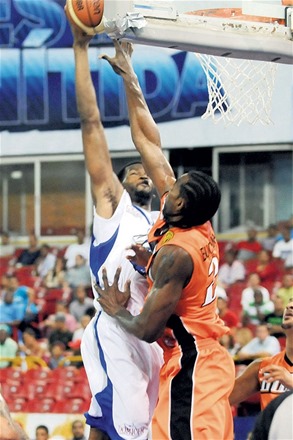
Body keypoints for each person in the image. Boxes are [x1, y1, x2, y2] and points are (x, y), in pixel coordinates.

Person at [96, 40, 235, 440]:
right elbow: (149, 143)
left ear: (184, 209)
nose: (168, 186)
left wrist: (116, 308)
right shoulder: (193, 224)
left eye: (176, 191)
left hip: (194, 364)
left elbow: (145, 327)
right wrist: (130, 79)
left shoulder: (176, 254)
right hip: (202, 357)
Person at [66, 14, 163, 440]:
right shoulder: (113, 211)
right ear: (119, 184)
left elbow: (151, 142)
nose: (143, 173)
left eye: (146, 172)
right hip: (115, 329)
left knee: (123, 427)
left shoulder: (163, 219)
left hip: (153, 334)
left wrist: (129, 74)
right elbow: (92, 126)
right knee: (126, 429)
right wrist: (80, 49)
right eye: (133, 172)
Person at [229, 299, 293, 410]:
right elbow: (221, 399)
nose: (289, 306)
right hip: (271, 427)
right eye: (290, 302)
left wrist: (291, 382)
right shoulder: (264, 367)